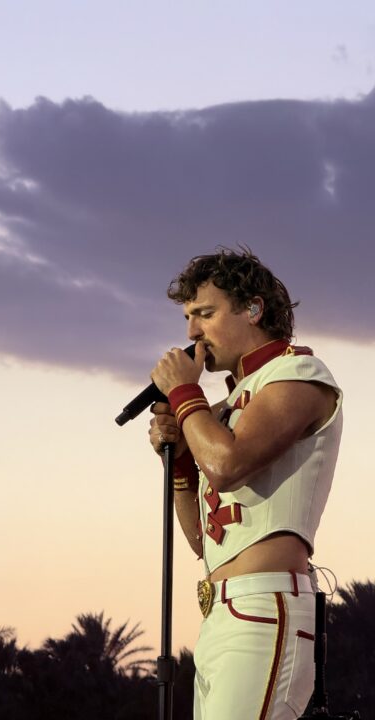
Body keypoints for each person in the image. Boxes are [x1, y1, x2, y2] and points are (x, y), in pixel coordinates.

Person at [149, 248, 342, 720]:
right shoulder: (223, 409)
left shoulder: (298, 373)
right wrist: (180, 465)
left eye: (204, 313)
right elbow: (203, 541)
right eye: (188, 317)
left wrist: (185, 395)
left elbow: (228, 464)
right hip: (220, 614)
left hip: (265, 606)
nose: (192, 332)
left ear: (253, 309)